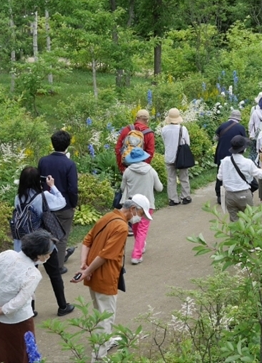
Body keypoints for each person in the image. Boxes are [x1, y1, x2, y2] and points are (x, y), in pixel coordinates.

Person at [72, 195, 152, 361]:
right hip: (105, 276)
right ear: (133, 209)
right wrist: (87, 271)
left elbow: (87, 241)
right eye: (141, 214)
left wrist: (84, 266)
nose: (140, 218)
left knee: (100, 312)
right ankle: (99, 357)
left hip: (94, 275)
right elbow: (105, 255)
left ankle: (106, 343)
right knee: (106, 318)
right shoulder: (122, 227)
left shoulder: (108, 216)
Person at [0, 230, 55, 363]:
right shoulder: (33, 273)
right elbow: (20, 301)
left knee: (1, 350)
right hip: (19, 320)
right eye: (48, 255)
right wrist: (0, 311)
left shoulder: (5, 255)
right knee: (22, 353)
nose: (48, 257)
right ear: (39, 255)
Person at [13, 166, 72, 317]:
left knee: (28, 277)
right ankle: (62, 306)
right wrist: (52, 186)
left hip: (25, 243)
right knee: (54, 275)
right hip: (43, 241)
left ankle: (30, 310)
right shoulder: (42, 196)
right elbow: (61, 202)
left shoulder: (18, 197)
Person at [37, 130, 78, 274]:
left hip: (46, 206)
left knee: (48, 235)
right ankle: (59, 266)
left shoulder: (43, 161)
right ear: (67, 145)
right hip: (64, 206)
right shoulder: (69, 164)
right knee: (62, 237)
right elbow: (72, 188)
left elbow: (39, 182)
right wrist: (73, 204)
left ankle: (46, 261)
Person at [121, 148, 163, 264]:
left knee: (135, 226)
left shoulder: (128, 171)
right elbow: (159, 188)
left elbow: (122, 187)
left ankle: (140, 246)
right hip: (147, 204)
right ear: (144, 158)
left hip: (132, 205)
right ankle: (136, 254)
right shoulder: (151, 170)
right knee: (142, 230)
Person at [217, 136, 262, 222]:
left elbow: (219, 177)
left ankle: (234, 236)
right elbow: (261, 175)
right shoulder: (247, 162)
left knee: (234, 222)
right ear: (244, 149)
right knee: (250, 220)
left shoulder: (225, 161)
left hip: (229, 195)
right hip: (244, 194)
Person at [214, 110, 247, 205]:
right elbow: (244, 142)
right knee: (235, 172)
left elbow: (216, 138)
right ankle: (233, 193)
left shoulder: (222, 126)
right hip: (235, 153)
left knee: (220, 173)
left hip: (221, 152)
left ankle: (219, 195)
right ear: (238, 119)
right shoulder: (241, 128)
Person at [161, 108, 192, 206]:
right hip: (181, 157)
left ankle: (173, 199)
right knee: (184, 177)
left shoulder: (164, 129)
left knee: (171, 178)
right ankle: (185, 197)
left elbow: (164, 141)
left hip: (169, 156)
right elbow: (187, 143)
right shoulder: (183, 129)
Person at [114, 109, 155, 173]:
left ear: (136, 118)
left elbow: (118, 148)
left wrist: (121, 168)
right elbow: (150, 153)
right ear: (147, 120)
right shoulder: (149, 134)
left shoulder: (127, 129)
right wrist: (144, 168)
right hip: (141, 168)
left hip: (126, 166)